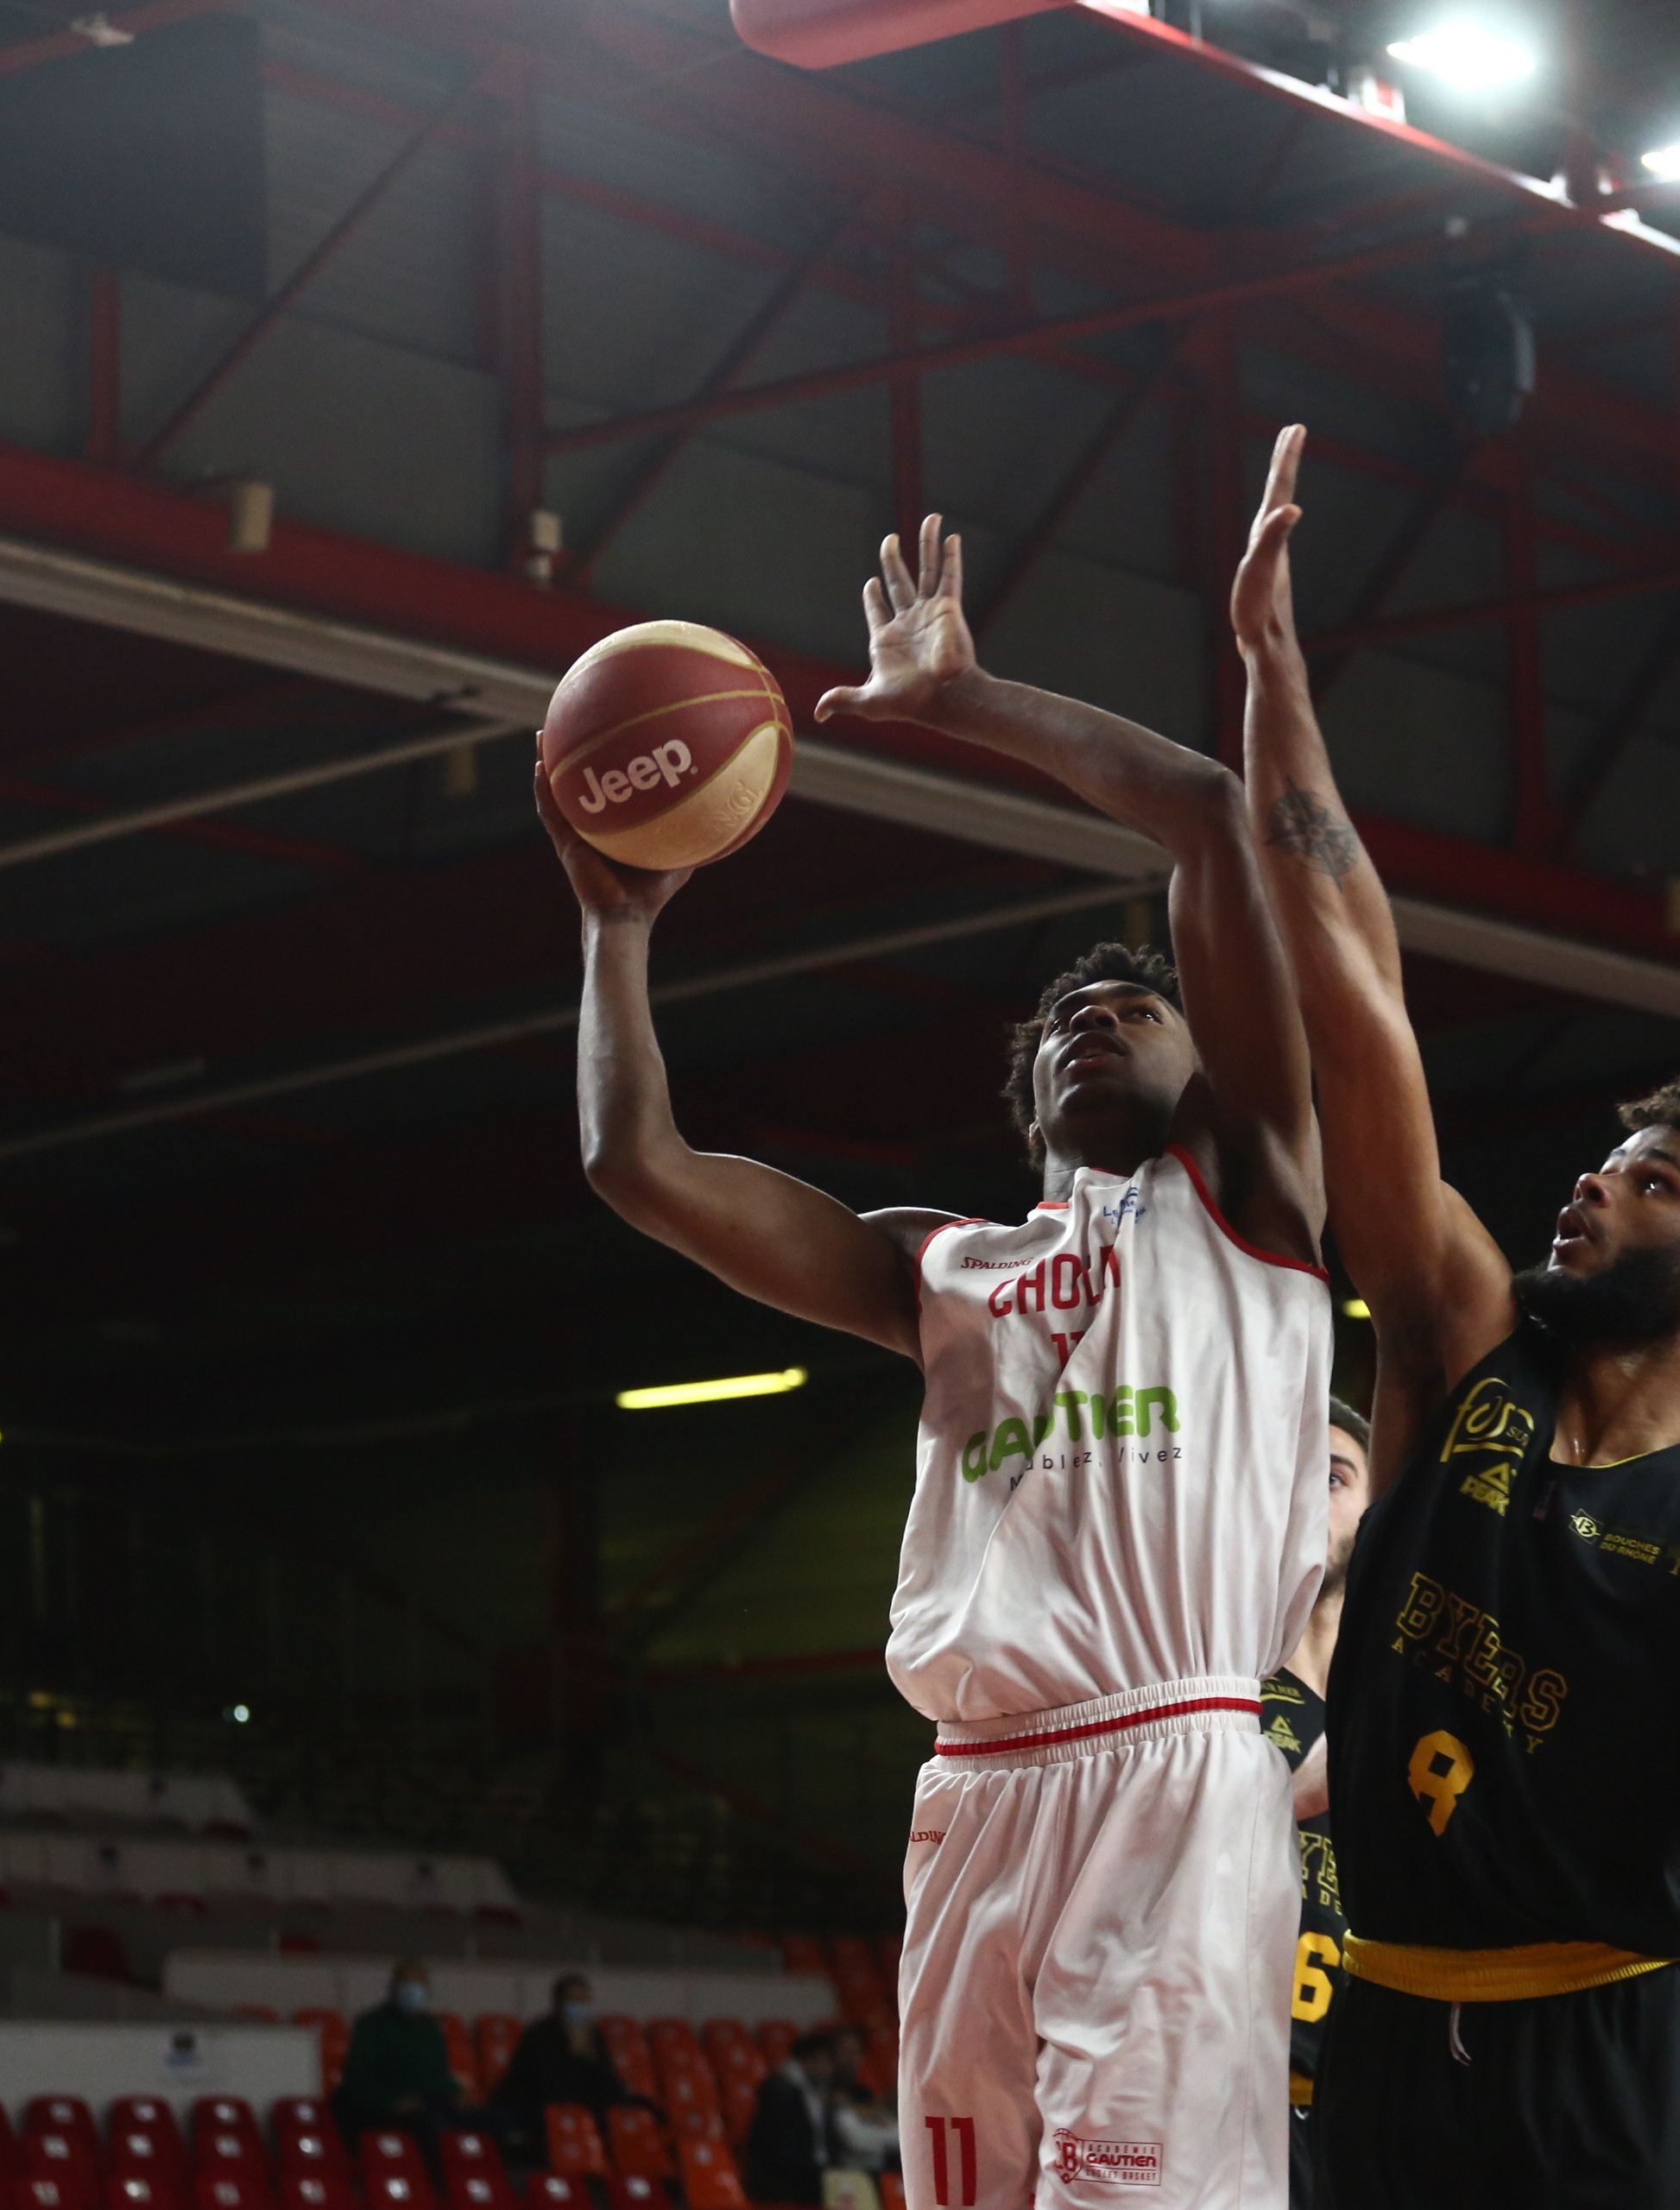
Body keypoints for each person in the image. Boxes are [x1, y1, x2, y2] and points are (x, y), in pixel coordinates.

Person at [544, 496, 1334, 2210]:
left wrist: (964, 699)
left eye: (1139, 1007)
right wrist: (617, 928)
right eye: (1067, 1014)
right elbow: (640, 1167)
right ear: (1021, 1090)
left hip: (1177, 1768)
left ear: (1211, 1067)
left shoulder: (1253, 1200)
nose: (1096, 1019)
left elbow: (1209, 819)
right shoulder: (941, 1265)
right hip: (973, 1799)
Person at [1231, 422, 1680, 2210]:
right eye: (1596, 1159)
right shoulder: (1465, 1336)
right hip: (1384, 2036)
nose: (1587, 1183)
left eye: (1641, 1172)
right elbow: (1356, 979)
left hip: (1618, 2052)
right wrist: (1272, 675)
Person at [1260, 1401, 1369, 2210]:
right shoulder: (1208, 1691)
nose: (1307, 1491)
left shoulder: (1407, 1696)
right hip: (1241, 2108)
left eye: (1333, 1476)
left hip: (1381, 2117)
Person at [335, 1960, 476, 2173]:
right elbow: (357, 2079)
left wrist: (456, 2090)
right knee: (434, 2126)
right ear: (393, 1988)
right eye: (408, 1984)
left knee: (487, 2120)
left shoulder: (430, 2027)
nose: (414, 1991)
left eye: (420, 1984)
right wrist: (392, 2103)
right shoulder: (372, 2025)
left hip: (429, 2102)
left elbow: (436, 2074)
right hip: (387, 2107)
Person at [489, 1973, 645, 2150]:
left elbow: (609, 2083)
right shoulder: (540, 2034)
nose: (578, 2007)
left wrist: (589, 2056)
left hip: (582, 2105)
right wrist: (575, 2054)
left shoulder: (592, 2034)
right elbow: (553, 2087)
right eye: (572, 2001)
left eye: (582, 2001)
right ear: (559, 2003)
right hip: (537, 2106)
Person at [748, 2028, 849, 2206]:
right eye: (828, 2062)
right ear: (810, 2060)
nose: (831, 2069)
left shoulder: (818, 2093)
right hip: (784, 2178)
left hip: (812, 2173)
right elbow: (780, 2149)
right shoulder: (780, 2093)